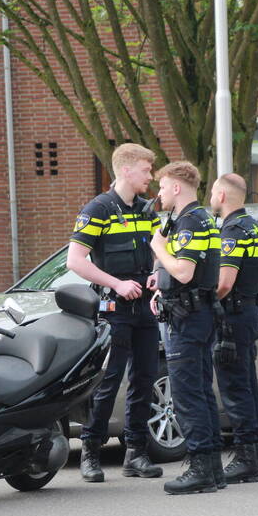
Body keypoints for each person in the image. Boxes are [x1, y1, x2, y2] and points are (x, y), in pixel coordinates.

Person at [67, 143, 164, 482]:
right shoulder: (98, 209)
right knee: (108, 381)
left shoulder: (145, 209)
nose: (150, 177)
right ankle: (90, 453)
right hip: (114, 308)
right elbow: (75, 261)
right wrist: (117, 284)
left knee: (144, 378)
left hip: (145, 307)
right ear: (125, 170)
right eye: (145, 170)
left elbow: (159, 249)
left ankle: (135, 453)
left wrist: (157, 271)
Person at [149, 161, 222, 495]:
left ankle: (200, 468)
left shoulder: (191, 222)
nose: (159, 193)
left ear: (176, 187)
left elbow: (184, 272)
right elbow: (178, 275)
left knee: (188, 394)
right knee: (201, 390)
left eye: (162, 186)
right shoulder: (194, 219)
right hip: (194, 311)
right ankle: (212, 467)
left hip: (189, 319)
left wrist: (159, 248)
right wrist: (161, 288)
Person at [209, 174, 258, 483]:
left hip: (231, 317)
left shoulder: (231, 231)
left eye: (212, 192)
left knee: (235, 388)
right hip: (249, 310)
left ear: (221, 195)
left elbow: (223, 283)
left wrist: (208, 304)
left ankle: (246, 457)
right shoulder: (256, 227)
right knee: (248, 384)